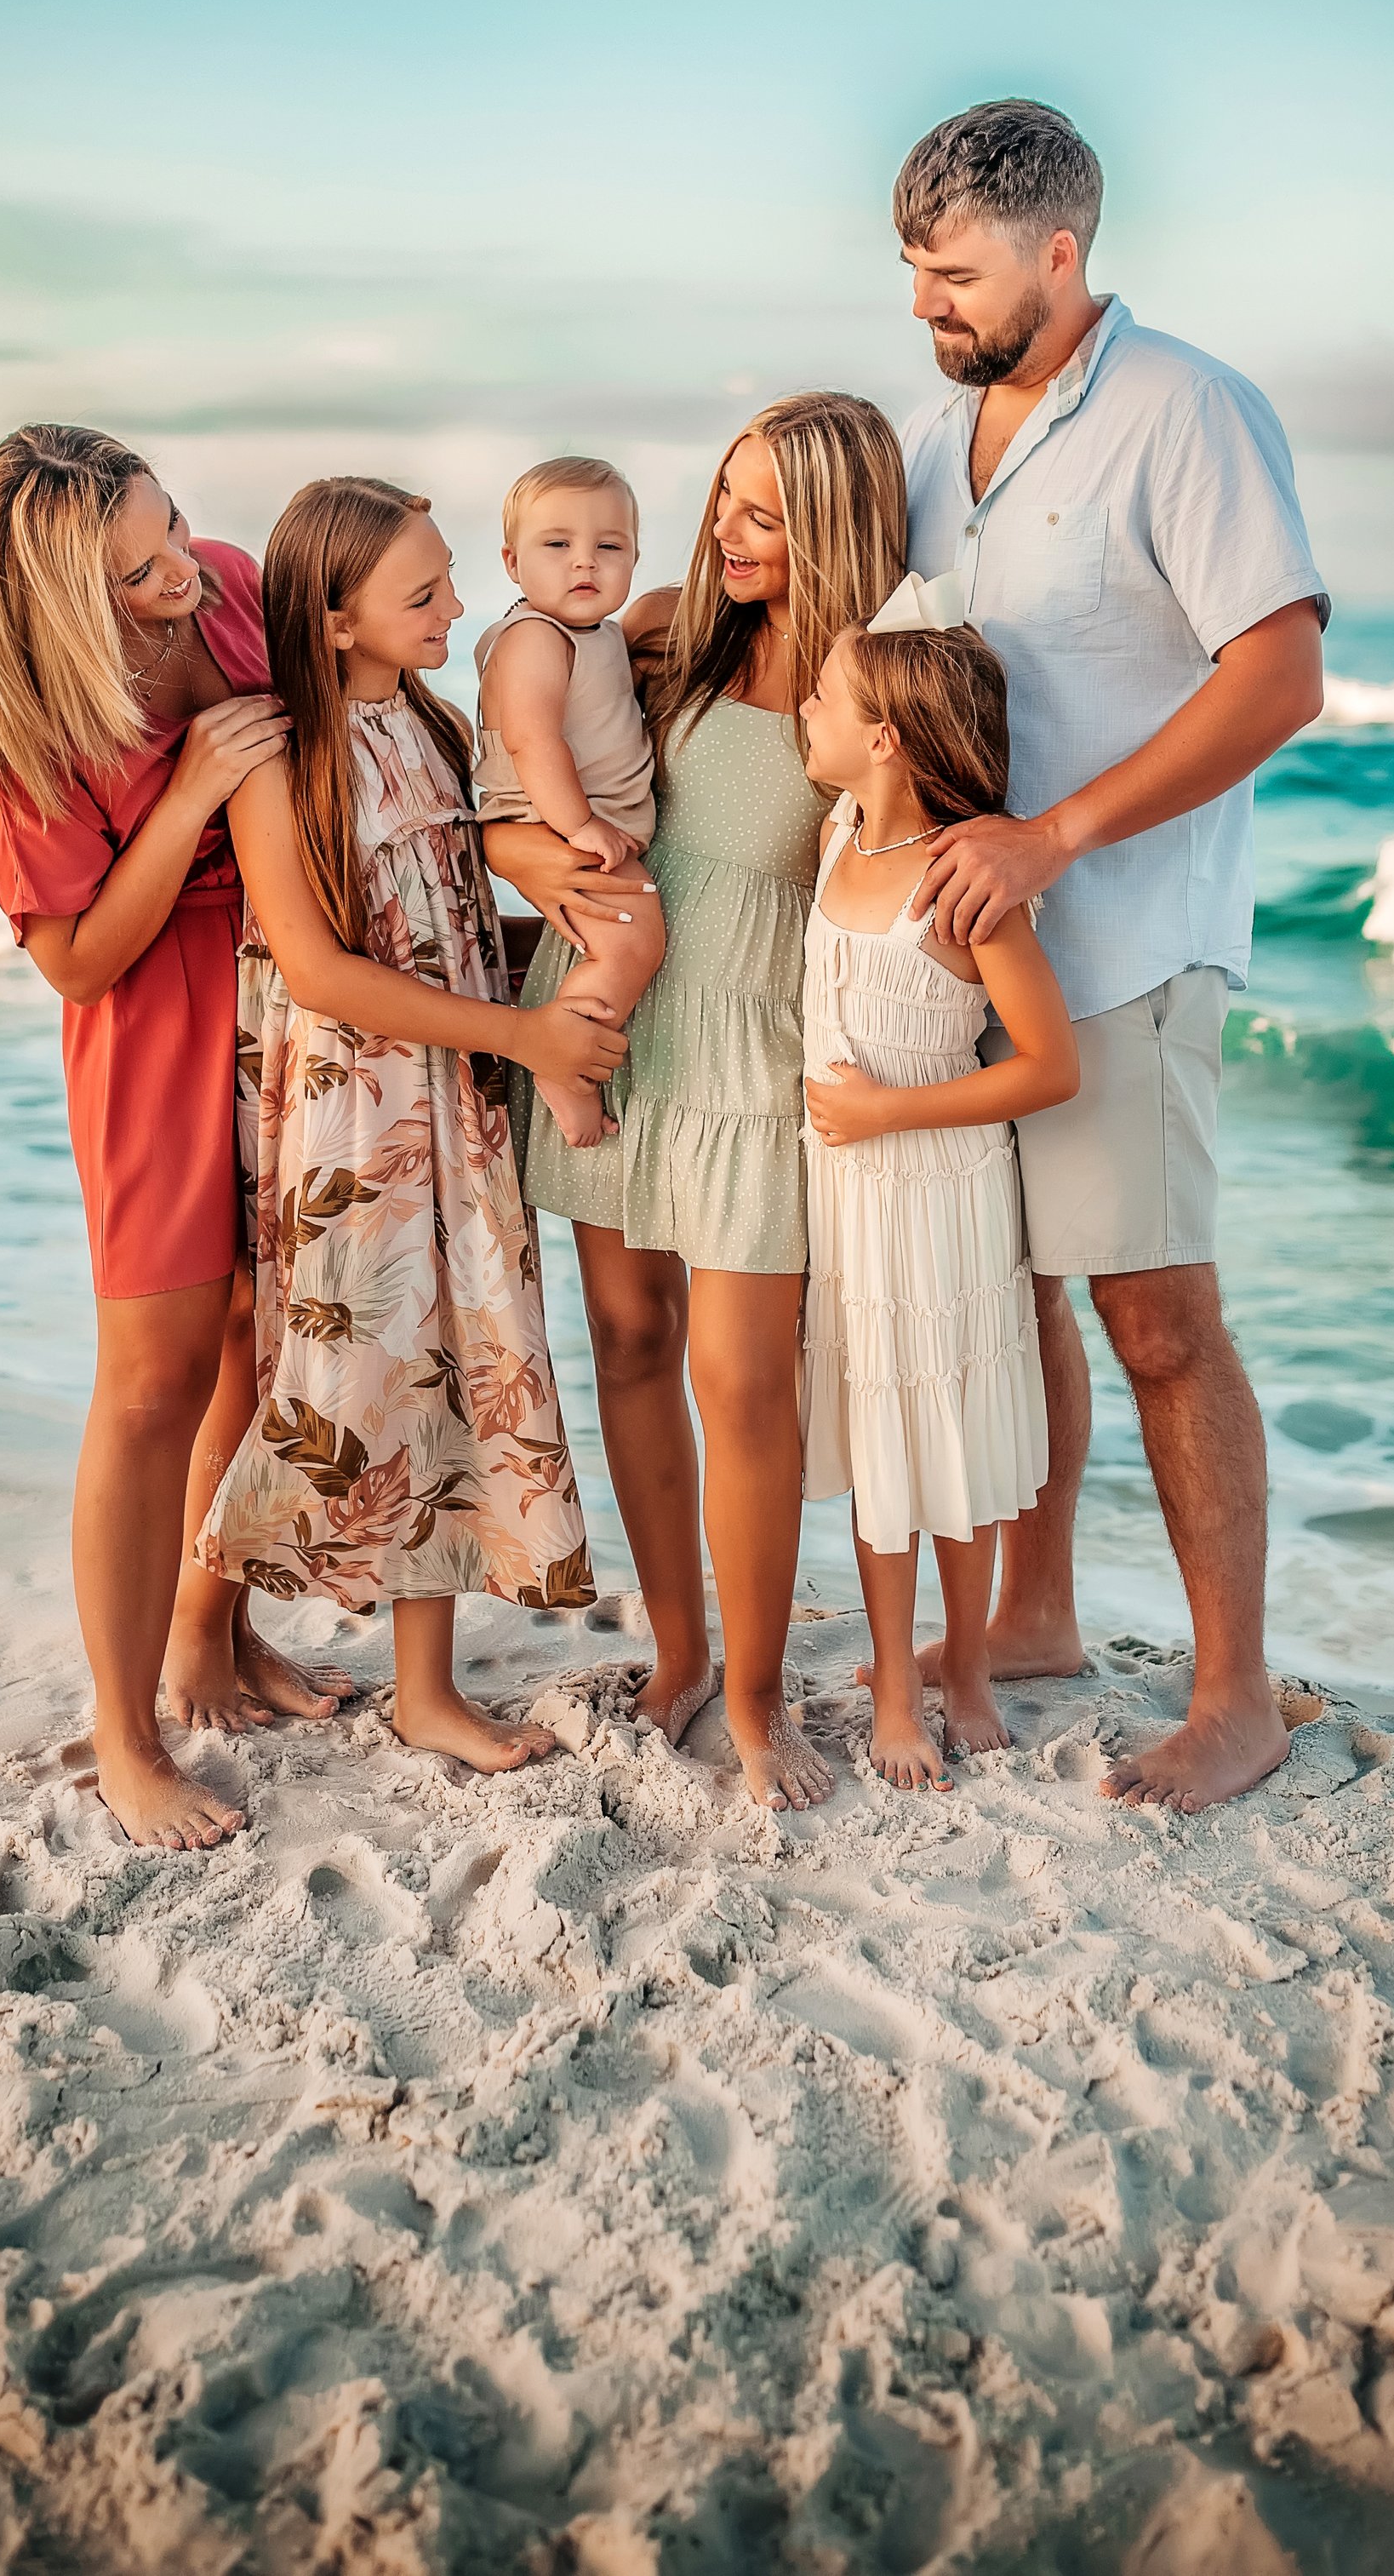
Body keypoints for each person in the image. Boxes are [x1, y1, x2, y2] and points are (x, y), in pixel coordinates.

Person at [892, 100, 1329, 1815]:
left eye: (953, 271)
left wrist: (1055, 837)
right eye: (910, 270)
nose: (925, 302)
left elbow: (1274, 676)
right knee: (1014, 1305)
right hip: (975, 962)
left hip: (1128, 938)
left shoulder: (1185, 410)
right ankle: (1038, 1615)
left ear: (1057, 253)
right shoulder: (940, 442)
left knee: (1155, 1317)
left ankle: (1237, 1697)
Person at [486, 396, 907, 1810]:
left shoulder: (880, 671)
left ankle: (756, 1695)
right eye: (725, 497)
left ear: (837, 526)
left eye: (765, 515)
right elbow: (513, 762)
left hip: (757, 1050)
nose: (727, 531)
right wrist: (535, 864)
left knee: (744, 1381)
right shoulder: (666, 626)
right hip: (619, 1018)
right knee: (625, 1338)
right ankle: (678, 1658)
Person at [183, 478, 621, 1774]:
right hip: (354, 1112)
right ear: (330, 619)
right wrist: (530, 1037)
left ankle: (425, 1687)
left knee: (450, 1367)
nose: (457, 604)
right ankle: (197, 1628)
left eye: (448, 580)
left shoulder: (428, 719)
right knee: (331, 1376)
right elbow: (317, 971)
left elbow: (454, 911)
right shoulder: (283, 756)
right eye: (422, 592)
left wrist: (583, 954)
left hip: (456, 1100)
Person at [0, 424, 347, 1856]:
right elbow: (74, 960)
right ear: (67, 599)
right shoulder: (37, 733)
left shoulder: (234, 585)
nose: (183, 570)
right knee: (149, 1385)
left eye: (174, 524)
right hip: (152, 1027)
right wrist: (188, 790)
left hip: (289, 993)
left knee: (262, 1336)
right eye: (138, 571)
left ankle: (215, 1638)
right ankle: (128, 1737)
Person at [798, 590, 1078, 1792]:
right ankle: (897, 1682)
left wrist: (886, 1111)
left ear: (886, 740)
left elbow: (1048, 1066)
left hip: (944, 1197)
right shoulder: (833, 839)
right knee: (879, 1439)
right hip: (848, 1203)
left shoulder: (963, 881)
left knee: (951, 1442)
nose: (802, 709)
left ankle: (966, 1664)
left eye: (825, 698)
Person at [473, 456, 666, 1148]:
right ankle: (565, 1062)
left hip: (573, 821)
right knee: (633, 941)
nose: (584, 563)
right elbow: (532, 741)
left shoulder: (600, 634)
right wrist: (582, 824)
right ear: (512, 561)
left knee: (622, 942)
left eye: (608, 547)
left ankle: (573, 1043)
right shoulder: (535, 638)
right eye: (557, 546)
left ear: (635, 558)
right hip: (552, 820)